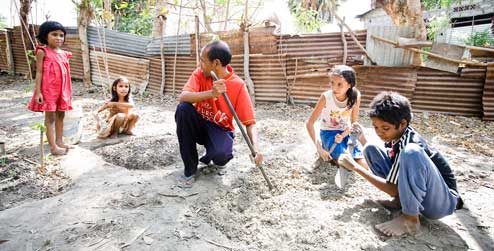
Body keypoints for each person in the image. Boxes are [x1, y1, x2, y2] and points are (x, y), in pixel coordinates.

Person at [338, 91, 463, 237]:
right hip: (425, 194)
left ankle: (410, 218)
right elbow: (391, 161)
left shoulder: (410, 144)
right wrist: (362, 138)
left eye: (385, 128)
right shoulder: (397, 136)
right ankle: (401, 202)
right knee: (371, 149)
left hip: (441, 202)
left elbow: (392, 187)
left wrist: (355, 167)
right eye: (376, 127)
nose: (379, 133)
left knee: (411, 152)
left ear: (403, 124)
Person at [175, 40, 263, 188]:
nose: (200, 64)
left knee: (220, 156)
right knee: (183, 109)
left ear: (215, 63)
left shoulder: (238, 85)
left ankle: (214, 156)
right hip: (199, 125)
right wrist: (211, 93)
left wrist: (256, 149)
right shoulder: (199, 73)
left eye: (203, 61)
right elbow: (183, 97)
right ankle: (190, 169)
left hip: (219, 129)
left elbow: (250, 123)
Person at [306, 65, 366, 167]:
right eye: (332, 83)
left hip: (345, 132)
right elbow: (309, 123)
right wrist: (319, 148)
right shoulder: (326, 97)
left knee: (362, 163)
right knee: (345, 161)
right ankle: (327, 150)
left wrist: (344, 136)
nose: (334, 87)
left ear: (350, 85)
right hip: (328, 133)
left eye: (339, 84)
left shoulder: (356, 96)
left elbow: (354, 123)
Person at [28, 21, 72, 155]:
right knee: (50, 118)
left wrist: (68, 92)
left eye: (61, 35)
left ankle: (60, 141)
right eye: (54, 34)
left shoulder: (64, 54)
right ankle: (53, 147)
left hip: (62, 90)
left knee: (61, 115)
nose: (59, 38)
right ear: (45, 36)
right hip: (48, 91)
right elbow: (39, 72)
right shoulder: (42, 52)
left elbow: (65, 74)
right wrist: (38, 92)